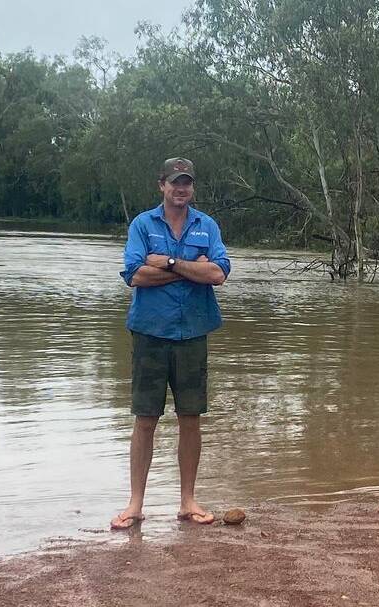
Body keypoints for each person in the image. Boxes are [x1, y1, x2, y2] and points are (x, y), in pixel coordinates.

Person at [111, 157, 231, 530]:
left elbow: (219, 273)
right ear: (161, 184)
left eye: (187, 183)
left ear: (192, 188)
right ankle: (135, 504)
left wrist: (170, 263)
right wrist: (192, 269)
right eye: (175, 183)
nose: (181, 189)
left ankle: (188, 501)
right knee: (144, 419)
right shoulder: (142, 225)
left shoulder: (206, 225)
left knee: (190, 418)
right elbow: (134, 275)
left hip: (193, 332)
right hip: (150, 332)